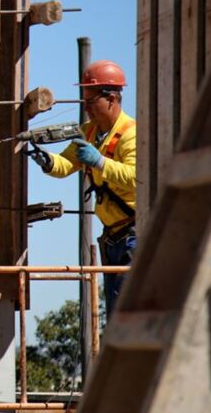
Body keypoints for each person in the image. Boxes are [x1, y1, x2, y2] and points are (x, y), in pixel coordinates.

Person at [27, 59, 136, 318]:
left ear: (111, 99)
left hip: (135, 234)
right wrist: (48, 161)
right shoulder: (89, 132)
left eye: (90, 102)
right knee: (115, 310)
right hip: (112, 237)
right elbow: (66, 164)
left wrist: (99, 161)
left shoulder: (131, 134)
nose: (86, 108)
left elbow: (136, 178)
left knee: (127, 312)